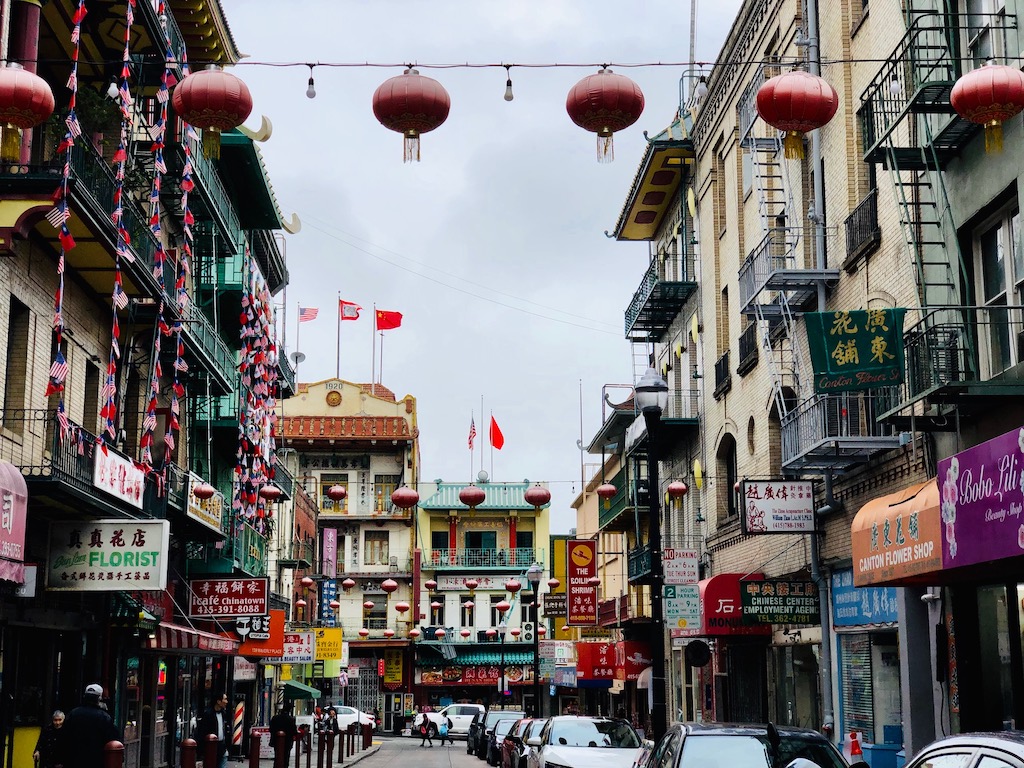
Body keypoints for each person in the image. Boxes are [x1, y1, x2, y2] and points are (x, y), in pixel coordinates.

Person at [59, 684, 119, 768]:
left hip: (73, 761)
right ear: (99, 698)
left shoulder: (73, 714)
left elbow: (63, 738)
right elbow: (112, 741)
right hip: (96, 761)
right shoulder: (104, 717)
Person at [195, 692, 230, 768]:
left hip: (222, 747)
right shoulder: (208, 714)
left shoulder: (224, 714)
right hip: (211, 749)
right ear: (218, 701)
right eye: (225, 699)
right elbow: (202, 732)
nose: (227, 702)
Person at [268, 703, 298, 768]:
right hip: (287, 741)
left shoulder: (275, 718)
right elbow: (294, 731)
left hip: (276, 740)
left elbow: (271, 729)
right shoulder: (291, 719)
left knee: (277, 755)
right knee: (286, 757)